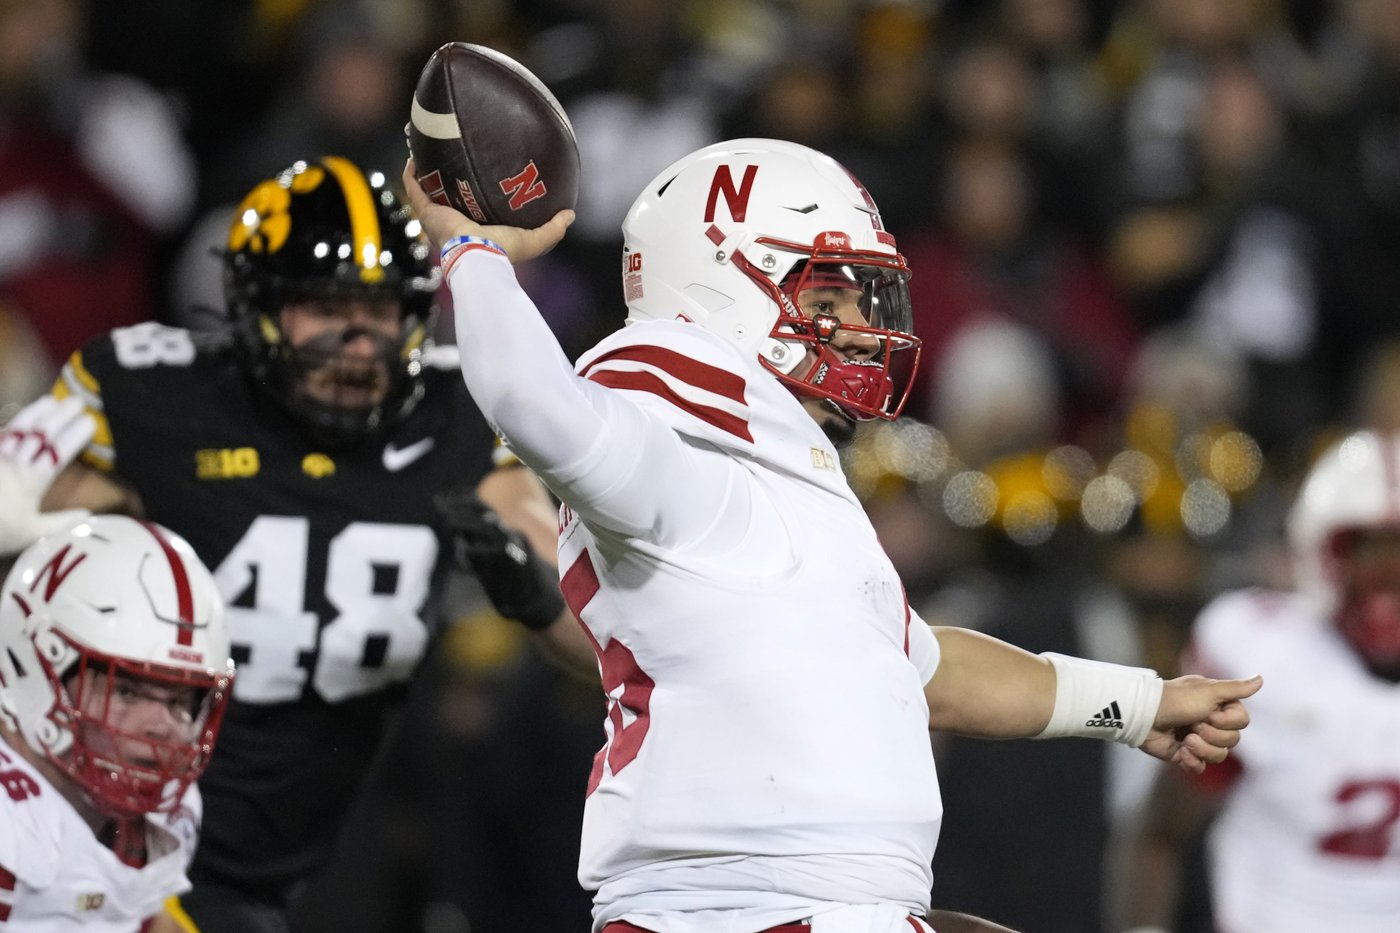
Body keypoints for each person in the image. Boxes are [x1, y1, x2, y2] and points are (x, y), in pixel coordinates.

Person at [401, 136, 1263, 933]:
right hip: (731, 910)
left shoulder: (785, 481)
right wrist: (470, 249)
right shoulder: (671, 448)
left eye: (857, 293)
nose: (855, 322)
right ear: (718, 286)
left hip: (835, 903)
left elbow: (926, 667)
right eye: (824, 292)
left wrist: (1142, 703)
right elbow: (529, 398)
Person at [0, 155, 578, 933]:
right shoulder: (155, 393)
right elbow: (12, 502)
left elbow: (593, 638)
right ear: (257, 306)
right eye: (325, 306)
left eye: (382, 310)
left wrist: (540, 594)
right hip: (119, 834)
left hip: (321, 839)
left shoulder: (456, 410)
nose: (359, 339)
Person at [1116, 429, 1400, 933]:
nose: (1394, 572)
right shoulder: (1264, 655)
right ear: (1325, 553)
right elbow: (1161, 831)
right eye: (1377, 548)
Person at [0, 514, 235, 930]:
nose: (161, 729)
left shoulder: (162, 812)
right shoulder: (12, 829)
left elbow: (135, 913)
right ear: (33, 667)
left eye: (181, 700)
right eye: (126, 692)